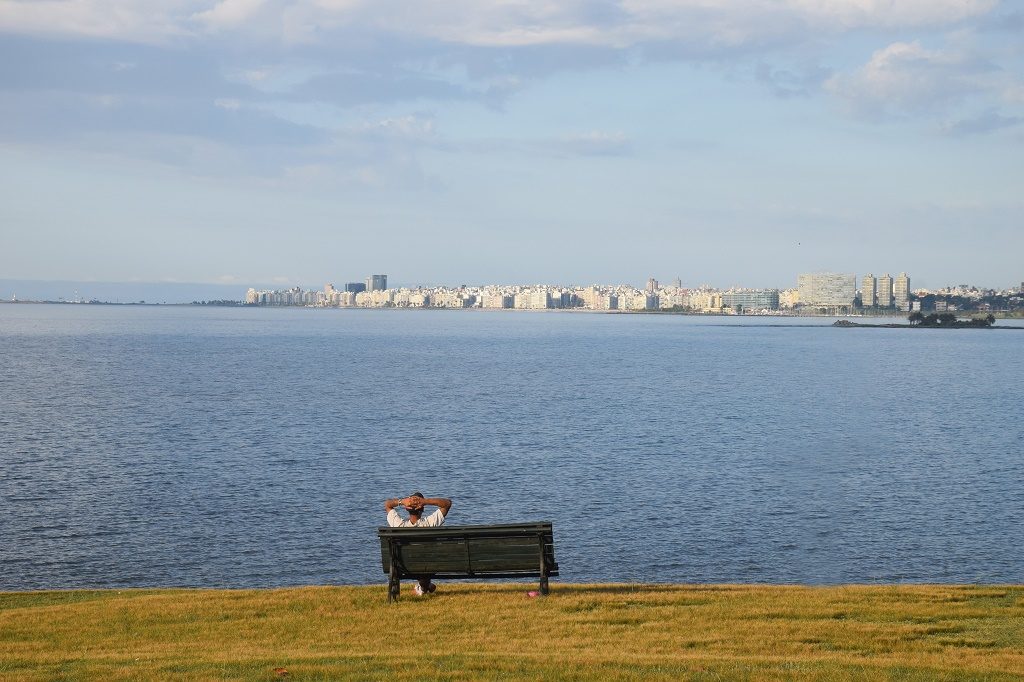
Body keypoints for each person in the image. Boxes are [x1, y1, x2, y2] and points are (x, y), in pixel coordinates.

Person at [384, 492, 453, 595]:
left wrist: (402, 501)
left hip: (404, 566)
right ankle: (424, 587)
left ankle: (423, 587)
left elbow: (387, 505)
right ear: (422, 509)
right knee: (426, 562)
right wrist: (425, 501)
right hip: (428, 566)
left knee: (420, 562)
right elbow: (447, 503)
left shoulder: (398, 525)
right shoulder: (430, 523)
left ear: (407, 508)